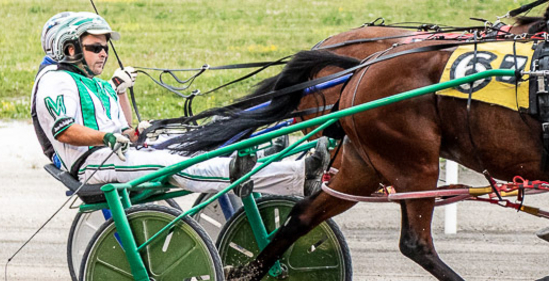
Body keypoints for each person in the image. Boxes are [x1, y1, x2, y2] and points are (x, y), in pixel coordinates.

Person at [31, 11, 329, 196]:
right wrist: (106, 137)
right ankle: (296, 177)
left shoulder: (91, 82)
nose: (104, 54)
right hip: (94, 165)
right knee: (183, 166)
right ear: (68, 48)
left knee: (194, 143)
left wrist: (126, 113)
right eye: (95, 48)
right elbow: (65, 131)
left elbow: (123, 128)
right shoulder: (56, 82)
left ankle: (269, 160)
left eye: (105, 48)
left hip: (115, 156)